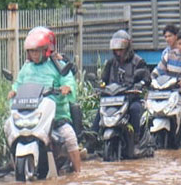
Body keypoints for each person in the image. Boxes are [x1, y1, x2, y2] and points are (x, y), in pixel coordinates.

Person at [8, 26, 82, 174]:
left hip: (56, 116)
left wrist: (66, 87)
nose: (34, 55)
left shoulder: (57, 65)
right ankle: (11, 162)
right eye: (31, 51)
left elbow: (68, 79)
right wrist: (14, 90)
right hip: (30, 113)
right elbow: (18, 83)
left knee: (69, 137)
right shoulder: (26, 68)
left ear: (46, 49)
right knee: (7, 128)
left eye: (37, 50)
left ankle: (78, 173)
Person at [94, 30, 150, 154]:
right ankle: (92, 141)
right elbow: (103, 79)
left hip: (132, 97)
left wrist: (139, 85)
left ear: (128, 48)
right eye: (116, 50)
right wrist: (100, 86)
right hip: (113, 99)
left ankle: (135, 141)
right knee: (100, 112)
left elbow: (147, 78)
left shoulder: (138, 61)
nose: (118, 53)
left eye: (121, 50)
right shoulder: (111, 63)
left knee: (135, 110)